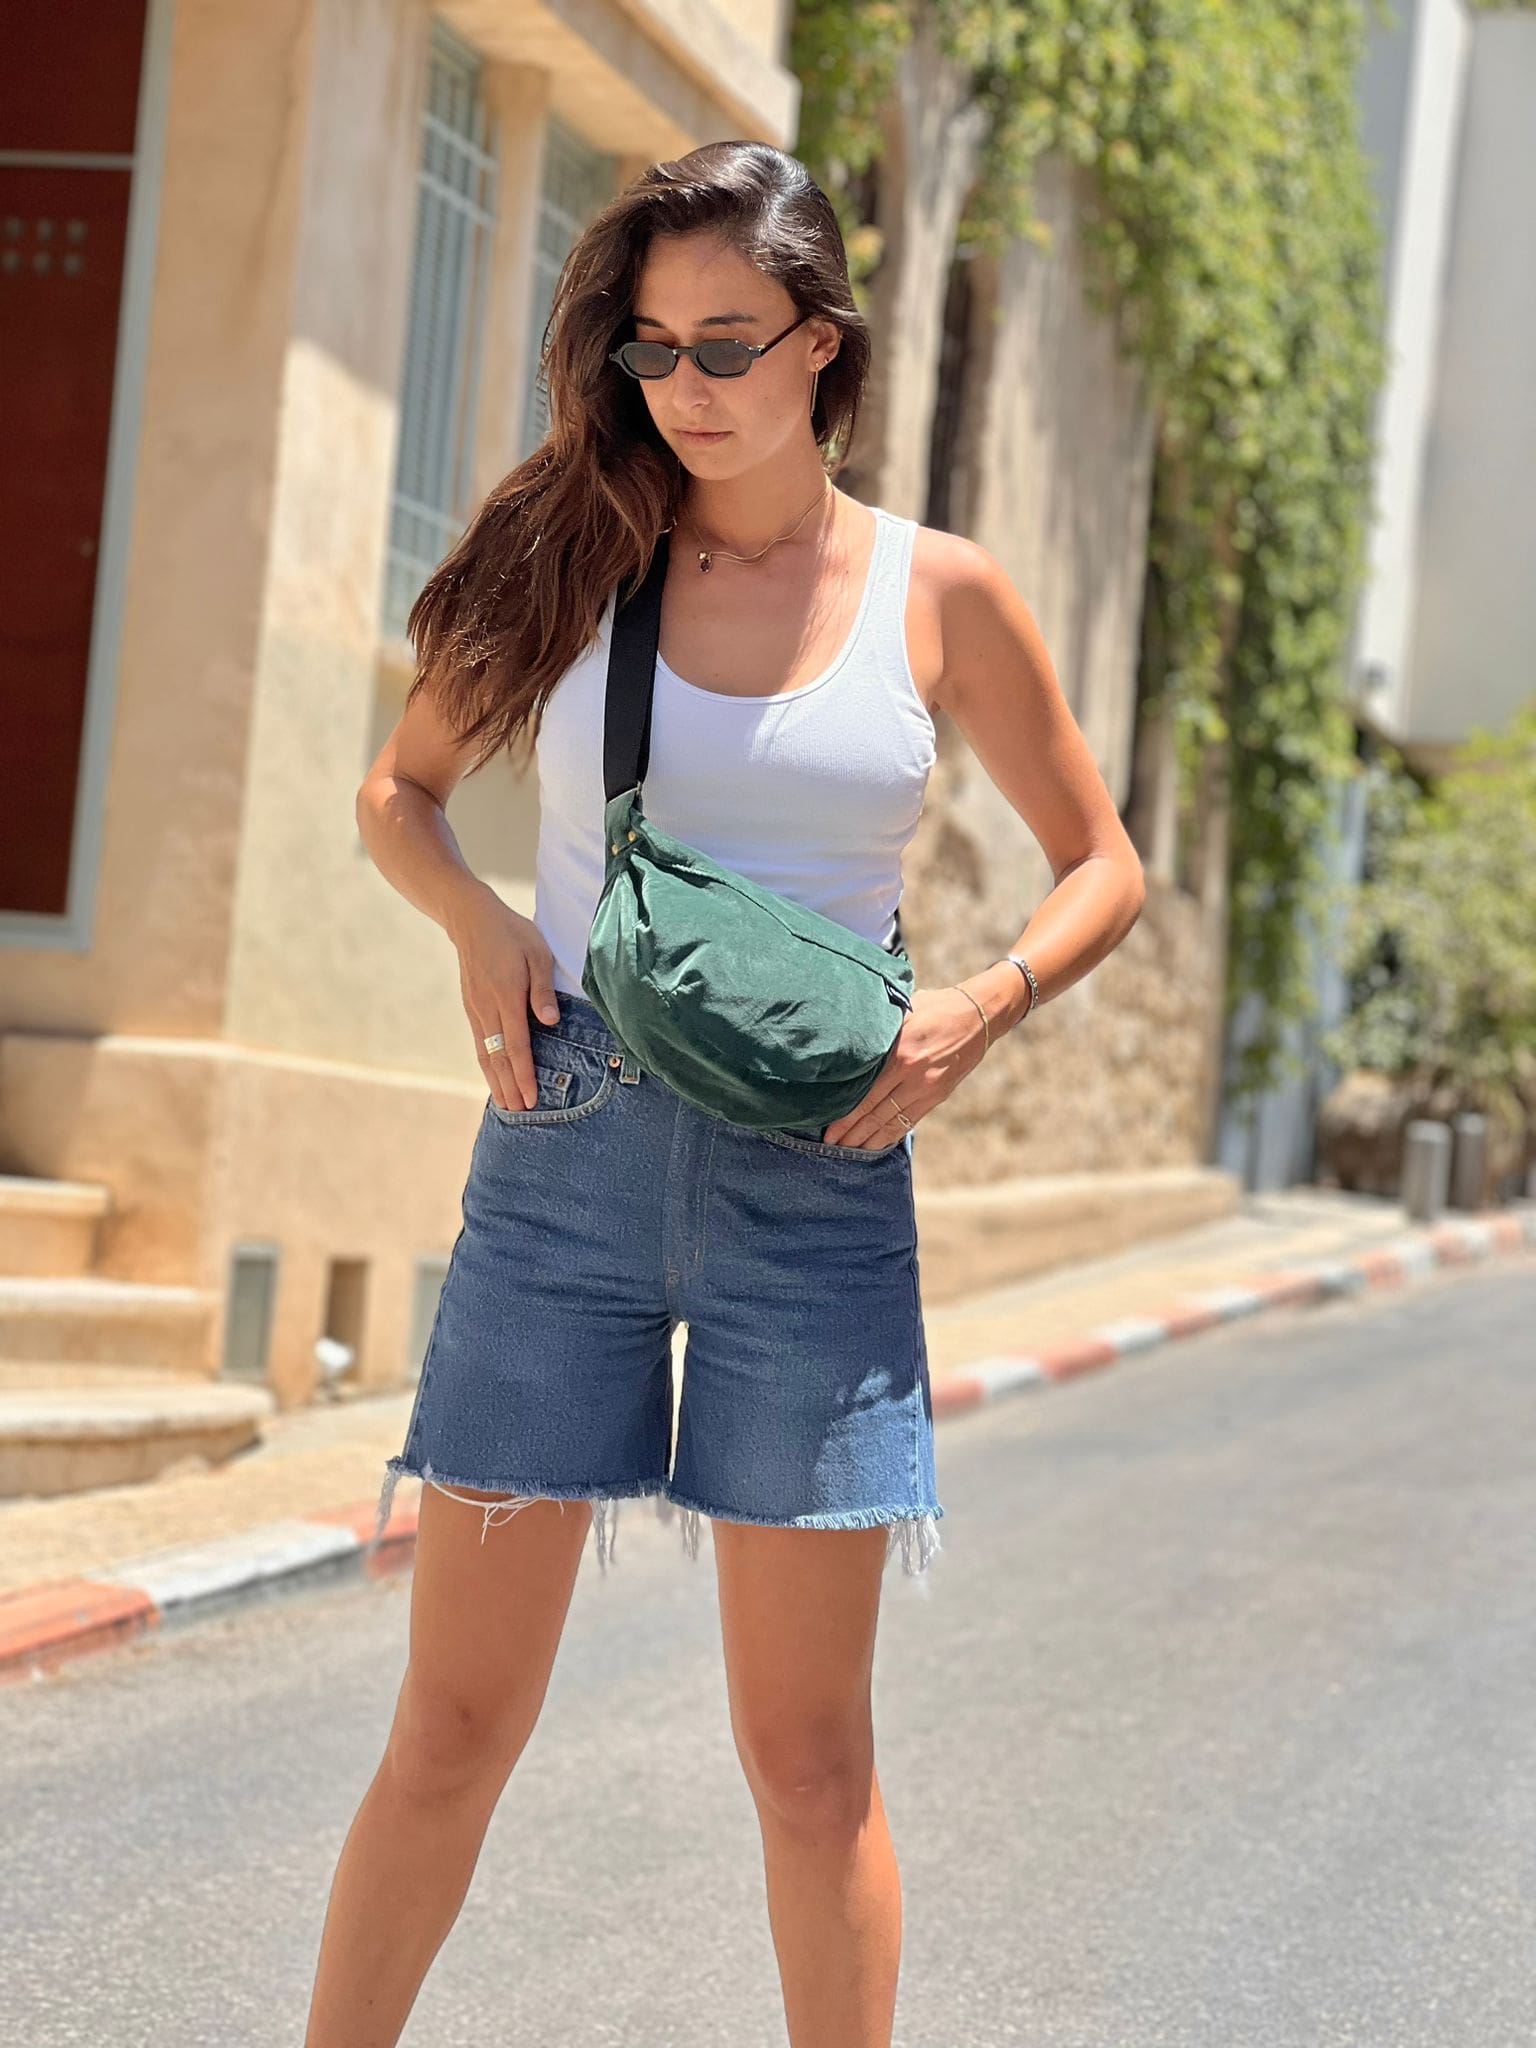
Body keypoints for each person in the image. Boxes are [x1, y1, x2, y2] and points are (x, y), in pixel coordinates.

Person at [306, 140, 1144, 2048]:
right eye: (652, 348)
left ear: (821, 343)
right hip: (564, 1161)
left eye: (726, 343)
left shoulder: (940, 595)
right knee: (451, 1727)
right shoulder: (574, 550)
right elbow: (399, 792)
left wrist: (982, 1007)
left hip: (818, 1180)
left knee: (808, 1760)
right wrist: (477, 924)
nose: (682, 385)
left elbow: (1103, 865)